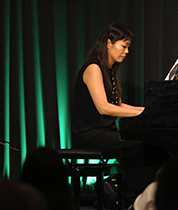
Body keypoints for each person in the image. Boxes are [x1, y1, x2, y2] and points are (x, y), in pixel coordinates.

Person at [71, 23, 169, 199]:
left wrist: (149, 110)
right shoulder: (93, 67)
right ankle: (142, 197)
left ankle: (145, 194)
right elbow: (103, 108)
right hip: (88, 133)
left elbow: (118, 105)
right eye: (124, 46)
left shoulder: (110, 70)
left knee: (152, 147)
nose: (127, 51)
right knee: (139, 146)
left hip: (104, 132)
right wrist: (145, 114)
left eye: (128, 47)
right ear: (109, 43)